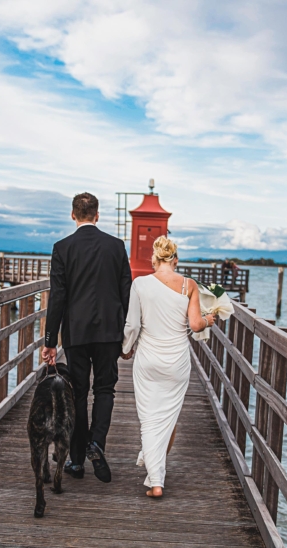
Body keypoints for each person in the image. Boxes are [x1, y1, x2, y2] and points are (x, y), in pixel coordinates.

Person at [43, 192, 132, 482]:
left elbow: (57, 297)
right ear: (97, 215)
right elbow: (126, 293)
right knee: (105, 389)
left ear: (73, 215)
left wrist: (49, 342)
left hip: (76, 332)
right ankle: (97, 443)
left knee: (78, 394)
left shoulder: (62, 248)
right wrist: (127, 334)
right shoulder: (116, 247)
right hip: (109, 332)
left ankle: (78, 461)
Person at [121, 236, 217, 497]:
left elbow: (132, 325)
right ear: (175, 260)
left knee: (150, 418)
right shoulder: (189, 285)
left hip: (148, 359)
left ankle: (156, 480)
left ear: (154, 258)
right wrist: (209, 319)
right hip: (177, 361)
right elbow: (196, 325)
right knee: (168, 417)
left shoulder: (140, 284)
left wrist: (126, 348)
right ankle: (155, 473)